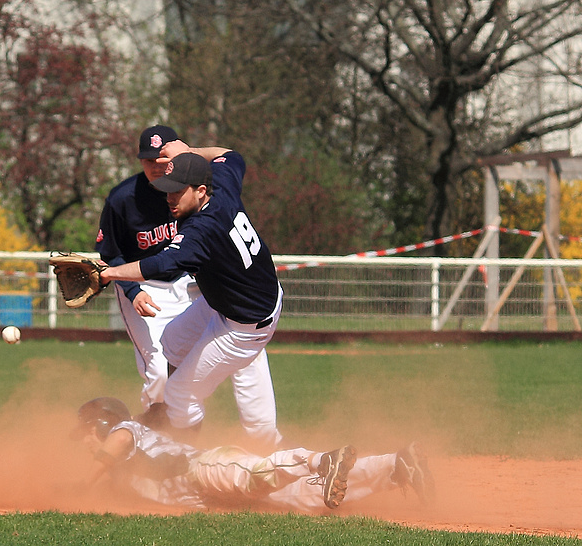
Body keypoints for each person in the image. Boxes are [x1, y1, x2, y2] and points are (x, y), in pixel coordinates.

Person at [96, 126, 282, 448]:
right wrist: (191, 152)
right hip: (235, 299)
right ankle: (172, 415)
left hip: (245, 323)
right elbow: (232, 156)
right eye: (167, 190)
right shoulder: (221, 187)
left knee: (180, 393)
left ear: (198, 191)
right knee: (172, 342)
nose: (169, 198)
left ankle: (183, 457)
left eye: (177, 191)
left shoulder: (201, 230)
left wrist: (109, 274)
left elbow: (160, 264)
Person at [75, 398, 434, 512]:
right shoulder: (122, 471)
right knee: (304, 498)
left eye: (87, 432)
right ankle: (396, 466)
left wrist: (81, 487)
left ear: (101, 425)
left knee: (256, 473)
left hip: (204, 469)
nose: (85, 442)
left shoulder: (127, 432)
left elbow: (116, 445)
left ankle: (321, 459)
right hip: (210, 495)